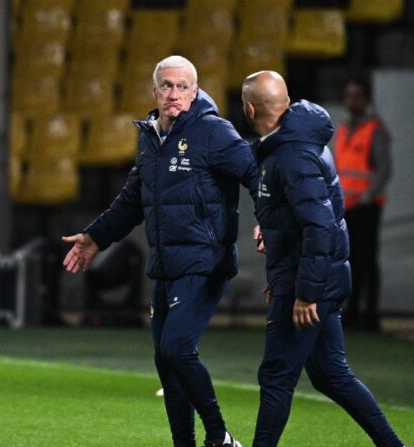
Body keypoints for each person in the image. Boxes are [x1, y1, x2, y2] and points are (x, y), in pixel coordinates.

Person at [62, 55, 257, 447]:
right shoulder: (151, 137)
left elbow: (258, 174)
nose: (174, 94)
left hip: (205, 261)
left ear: (195, 91)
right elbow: (133, 198)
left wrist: (268, 220)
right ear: (154, 91)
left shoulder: (214, 133)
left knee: (177, 349)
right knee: (165, 361)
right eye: (166, 86)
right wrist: (96, 237)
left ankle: (220, 438)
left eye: (182, 87)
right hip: (166, 265)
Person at [243, 71, 404, 447]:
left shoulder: (293, 155)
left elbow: (321, 228)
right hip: (309, 274)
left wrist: (304, 293)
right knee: (331, 375)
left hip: (310, 282)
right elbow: (298, 218)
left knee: (276, 375)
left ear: (250, 108)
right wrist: (272, 239)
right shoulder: (288, 145)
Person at [334, 78, 392, 331]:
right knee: (350, 260)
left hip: (366, 207)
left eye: (356, 96)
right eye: (348, 96)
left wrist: (367, 197)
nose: (351, 101)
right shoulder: (343, 130)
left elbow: (383, 169)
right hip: (346, 206)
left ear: (365, 99)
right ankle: (352, 311)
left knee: (366, 260)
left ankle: (370, 314)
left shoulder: (375, 130)